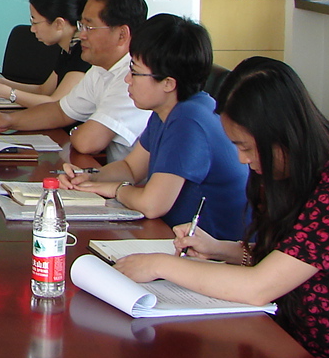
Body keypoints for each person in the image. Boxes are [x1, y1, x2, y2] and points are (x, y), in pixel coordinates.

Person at [116, 57, 329, 358]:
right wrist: (220, 249)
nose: (242, 159)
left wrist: (160, 265)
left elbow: (259, 287)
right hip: (287, 339)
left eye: (246, 147)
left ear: (280, 134)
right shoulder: (288, 167)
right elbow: (291, 256)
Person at [60, 14, 249, 240]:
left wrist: (114, 189)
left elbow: (152, 205)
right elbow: (131, 168)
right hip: (175, 237)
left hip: (214, 250)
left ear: (168, 83)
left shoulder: (189, 120)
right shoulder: (167, 110)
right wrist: (90, 178)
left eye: (135, 72)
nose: (127, 80)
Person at [0, 0, 148, 162]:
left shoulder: (134, 77)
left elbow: (87, 142)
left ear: (122, 35)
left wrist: (76, 131)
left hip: (126, 178)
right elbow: (60, 112)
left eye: (89, 27)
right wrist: (9, 121)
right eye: (81, 25)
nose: (82, 35)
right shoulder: (100, 69)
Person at [0, 0, 89, 108]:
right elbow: (43, 90)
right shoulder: (67, 49)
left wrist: (7, 93)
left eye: (35, 22)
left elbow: (56, 104)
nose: (32, 29)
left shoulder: (83, 53)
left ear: (59, 24)